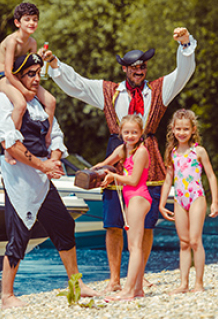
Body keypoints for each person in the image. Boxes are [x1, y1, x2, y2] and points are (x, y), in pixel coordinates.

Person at [42, 27, 196, 292]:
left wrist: (185, 45)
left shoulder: (159, 90)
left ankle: (138, 275)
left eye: (143, 67)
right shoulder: (108, 91)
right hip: (117, 150)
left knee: (146, 222)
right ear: (125, 69)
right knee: (113, 222)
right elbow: (77, 84)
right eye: (134, 68)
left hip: (148, 152)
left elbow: (182, 73)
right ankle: (114, 278)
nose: (139, 71)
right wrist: (55, 64)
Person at [0, 53, 98, 309]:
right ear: (17, 75)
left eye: (39, 73)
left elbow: (56, 135)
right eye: (30, 73)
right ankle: (7, 296)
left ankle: (76, 284)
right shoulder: (1, 100)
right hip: (19, 178)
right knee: (18, 237)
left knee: (63, 225)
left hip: (41, 177)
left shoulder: (39, 104)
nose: (36, 79)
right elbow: (10, 143)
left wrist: (55, 158)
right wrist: (43, 165)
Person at [158, 109, 218, 294]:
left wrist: (215, 201)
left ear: (193, 129)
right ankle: (183, 284)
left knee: (194, 240)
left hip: (196, 198)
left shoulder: (198, 151)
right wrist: (162, 204)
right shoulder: (172, 153)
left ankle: (198, 283)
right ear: (173, 129)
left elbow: (211, 175)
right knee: (183, 242)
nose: (182, 132)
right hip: (179, 199)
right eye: (178, 129)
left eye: (186, 129)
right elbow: (168, 180)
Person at [92, 114, 152, 301]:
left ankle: (127, 291)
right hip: (130, 198)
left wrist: (114, 177)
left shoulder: (141, 152)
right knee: (134, 246)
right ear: (121, 133)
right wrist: (92, 173)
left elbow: (134, 180)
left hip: (139, 197)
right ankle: (139, 290)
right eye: (126, 132)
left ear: (141, 133)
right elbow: (104, 164)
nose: (130, 136)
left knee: (134, 247)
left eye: (134, 132)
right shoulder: (122, 149)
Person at [0, 3, 56, 147]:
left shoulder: (32, 42)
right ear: (17, 22)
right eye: (27, 19)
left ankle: (47, 139)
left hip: (21, 76)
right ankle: (12, 146)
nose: (32, 23)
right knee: (20, 104)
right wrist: (25, 91)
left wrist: (40, 57)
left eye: (34, 19)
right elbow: (8, 72)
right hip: (4, 77)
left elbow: (32, 67)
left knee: (51, 101)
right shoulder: (12, 41)